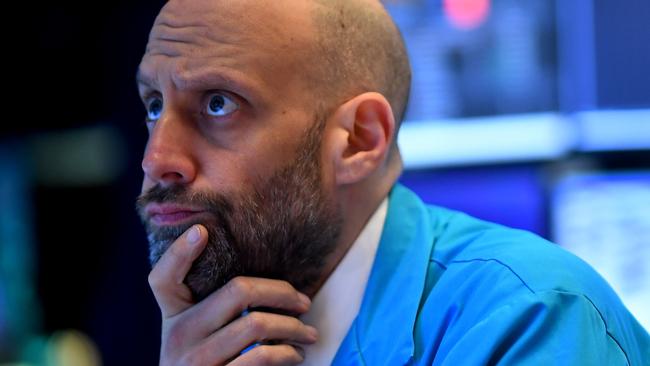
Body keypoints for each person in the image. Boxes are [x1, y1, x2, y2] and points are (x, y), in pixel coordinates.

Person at [134, 0, 650, 364]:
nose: (158, 159)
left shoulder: (530, 318)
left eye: (219, 104)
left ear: (360, 141)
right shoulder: (203, 341)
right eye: (155, 106)